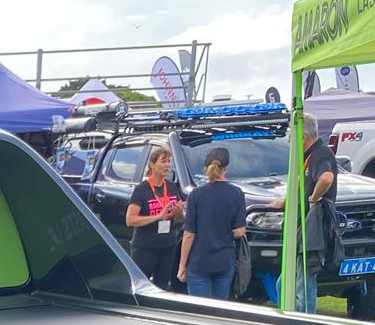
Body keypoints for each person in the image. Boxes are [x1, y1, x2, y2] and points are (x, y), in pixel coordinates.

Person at [264, 111, 340, 313]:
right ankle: (287, 318)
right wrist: (285, 202)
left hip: (312, 230)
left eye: (292, 135)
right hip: (301, 229)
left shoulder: (321, 154)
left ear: (303, 136)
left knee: (303, 284)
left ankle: (306, 323)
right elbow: (303, 186)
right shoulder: (307, 157)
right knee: (283, 284)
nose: (290, 141)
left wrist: (314, 199)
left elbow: (326, 178)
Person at [177, 146, 247, 300]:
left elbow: (189, 234)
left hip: (199, 260)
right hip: (224, 260)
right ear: (226, 169)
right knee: (220, 307)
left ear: (205, 169)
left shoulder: (196, 194)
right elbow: (240, 231)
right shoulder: (237, 193)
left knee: (199, 309)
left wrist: (182, 265)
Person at [125, 144, 185, 290]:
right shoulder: (142, 189)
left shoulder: (171, 187)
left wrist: (178, 212)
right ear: (152, 165)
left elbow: (180, 220)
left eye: (169, 161)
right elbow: (130, 220)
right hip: (145, 247)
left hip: (168, 245)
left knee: (162, 285)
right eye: (163, 161)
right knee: (141, 285)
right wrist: (158, 216)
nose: (167, 165)